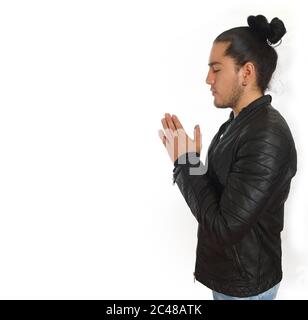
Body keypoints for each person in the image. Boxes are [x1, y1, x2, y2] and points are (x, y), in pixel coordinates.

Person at [158, 14, 297, 300]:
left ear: (246, 73)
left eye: (216, 69)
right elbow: (220, 197)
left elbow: (224, 228)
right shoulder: (238, 123)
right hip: (232, 280)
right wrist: (192, 162)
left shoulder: (266, 135)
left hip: (246, 289)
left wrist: (185, 164)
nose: (208, 79)